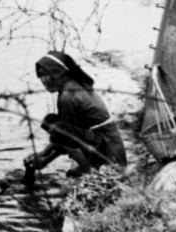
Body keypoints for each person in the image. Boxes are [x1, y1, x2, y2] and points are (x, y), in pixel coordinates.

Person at [23, 50, 127, 179]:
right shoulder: (72, 87)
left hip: (108, 149)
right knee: (52, 122)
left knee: (57, 128)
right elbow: (66, 135)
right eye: (40, 75)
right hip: (105, 141)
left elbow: (64, 138)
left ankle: (89, 171)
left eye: (46, 75)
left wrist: (44, 159)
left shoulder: (68, 96)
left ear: (59, 73)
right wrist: (43, 154)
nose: (42, 80)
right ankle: (89, 165)